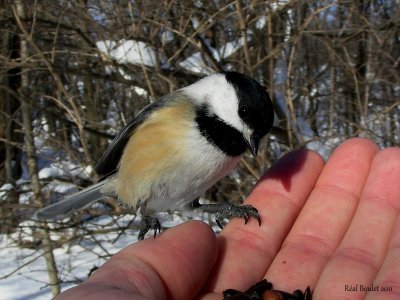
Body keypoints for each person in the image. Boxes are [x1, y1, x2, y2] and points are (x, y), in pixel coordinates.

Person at [55, 138, 400, 300]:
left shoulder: (225, 149)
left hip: (185, 202)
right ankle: (144, 211)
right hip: (129, 183)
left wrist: (228, 210)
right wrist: (143, 209)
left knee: (196, 212)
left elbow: (189, 207)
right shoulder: (184, 107)